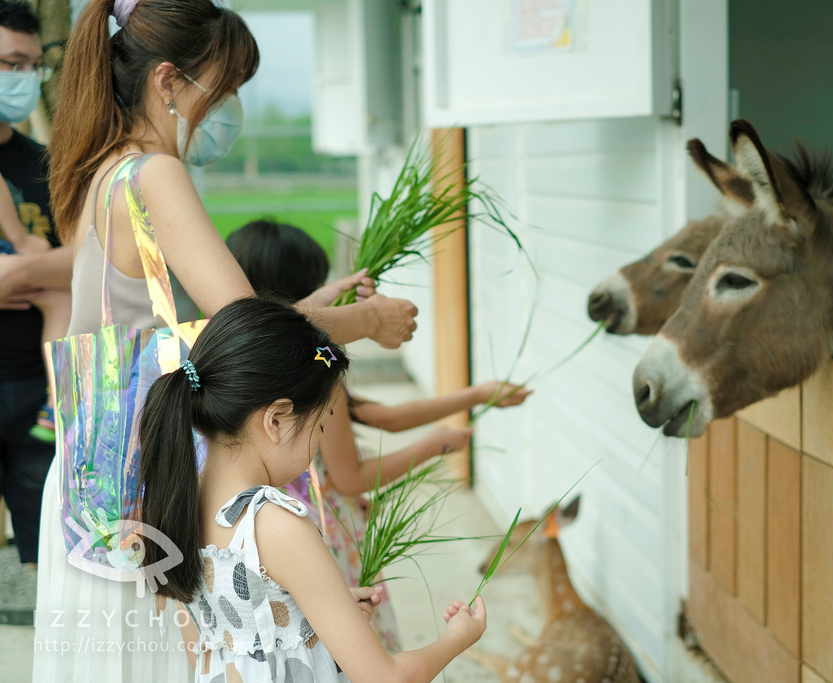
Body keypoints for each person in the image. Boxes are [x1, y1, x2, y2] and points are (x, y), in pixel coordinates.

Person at [33, 0, 418, 679]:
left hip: (93, 483)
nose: (230, 108)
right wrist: (367, 323)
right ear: (169, 82)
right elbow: (250, 334)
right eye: (226, 87)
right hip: (150, 488)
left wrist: (315, 308)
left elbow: (201, 323)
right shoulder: (157, 174)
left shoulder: (101, 171)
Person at [138, 297, 487, 683]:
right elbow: (387, 678)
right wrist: (457, 638)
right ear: (275, 420)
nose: (318, 444)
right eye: (319, 428)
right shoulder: (276, 525)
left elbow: (214, 649)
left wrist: (315, 618)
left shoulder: (178, 505)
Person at [227, 219, 528, 651]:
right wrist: (436, 445)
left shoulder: (243, 373)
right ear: (295, 297)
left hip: (305, 529)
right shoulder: (308, 376)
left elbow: (378, 415)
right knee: (351, 645)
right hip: (324, 534)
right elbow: (350, 477)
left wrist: (478, 395)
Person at [0, 0, 64, 570]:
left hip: (35, 394)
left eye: (29, 66)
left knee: (44, 556)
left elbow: (88, 261)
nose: (20, 78)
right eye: (7, 63)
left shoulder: (48, 166)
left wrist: (22, 271)